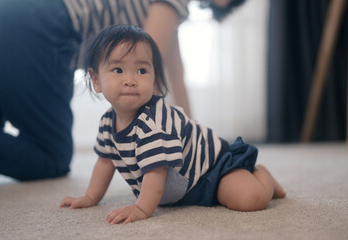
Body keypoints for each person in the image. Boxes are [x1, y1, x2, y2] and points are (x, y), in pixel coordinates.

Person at [0, 0, 245, 181]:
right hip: (37, 23)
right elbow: (144, 65)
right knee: (52, 156)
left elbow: (174, 73)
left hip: (7, 13)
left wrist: (191, 136)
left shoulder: (171, 10)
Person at [59, 25, 285, 224]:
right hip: (183, 185)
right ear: (96, 79)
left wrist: (141, 208)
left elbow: (156, 173)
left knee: (250, 199)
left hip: (212, 169)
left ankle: (261, 174)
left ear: (154, 78)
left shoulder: (153, 124)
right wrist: (90, 197)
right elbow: (105, 162)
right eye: (118, 70)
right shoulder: (107, 123)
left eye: (142, 70)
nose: (130, 79)